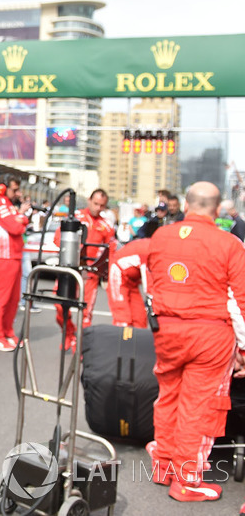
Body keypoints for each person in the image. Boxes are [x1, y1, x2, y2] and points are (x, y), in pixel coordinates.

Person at [145, 181, 245, 502]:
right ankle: (186, 481)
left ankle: (163, 467)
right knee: (200, 407)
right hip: (210, 336)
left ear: (186, 205)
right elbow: (240, 301)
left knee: (169, 398)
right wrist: (243, 349)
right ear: (218, 211)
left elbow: (152, 282)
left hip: (167, 331)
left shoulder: (160, 236)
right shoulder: (229, 243)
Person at [54, 189, 115, 352]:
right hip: (68, 270)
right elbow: (58, 238)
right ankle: (68, 333)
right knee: (60, 307)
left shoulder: (107, 225)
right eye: (95, 204)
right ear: (89, 200)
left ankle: (78, 344)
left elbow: (111, 250)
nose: (98, 208)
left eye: (102, 205)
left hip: (90, 274)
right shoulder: (75, 217)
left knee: (86, 313)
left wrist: (106, 275)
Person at [0, 176, 30, 351]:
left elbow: (19, 222)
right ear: (3, 188)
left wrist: (21, 218)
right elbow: (16, 227)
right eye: (15, 189)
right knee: (1, 298)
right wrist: (21, 219)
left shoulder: (6, 203)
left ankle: (7, 332)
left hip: (14, 255)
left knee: (13, 299)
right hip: (3, 255)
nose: (18, 193)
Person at [106, 238, 149, 328]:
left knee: (139, 318)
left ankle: (137, 341)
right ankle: (122, 341)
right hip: (118, 274)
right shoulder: (149, 250)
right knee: (123, 318)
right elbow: (148, 287)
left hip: (132, 280)